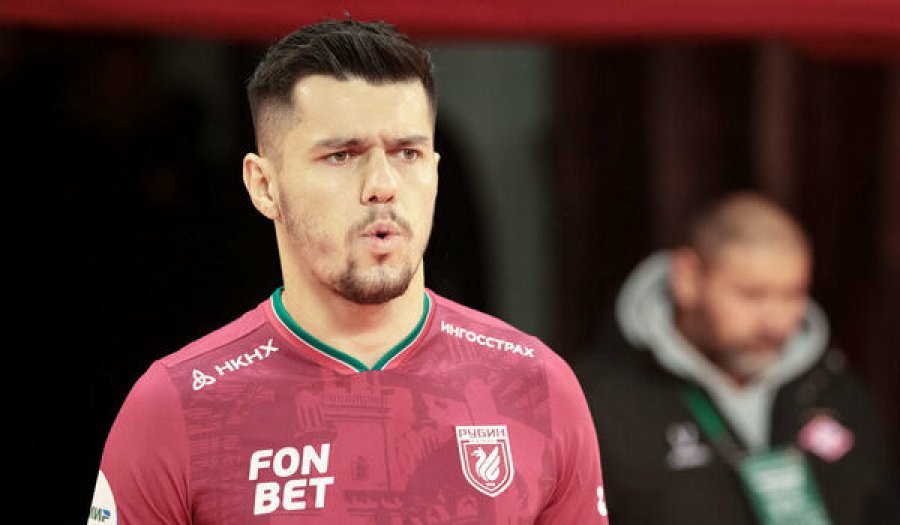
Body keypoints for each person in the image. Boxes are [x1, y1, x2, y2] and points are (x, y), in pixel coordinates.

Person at [87, 19, 609, 524]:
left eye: (407, 153)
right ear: (263, 186)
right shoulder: (174, 406)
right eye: (341, 155)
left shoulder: (538, 387)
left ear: (435, 171)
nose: (382, 185)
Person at [577, 191, 900, 525]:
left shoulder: (838, 393)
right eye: (752, 294)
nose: (775, 321)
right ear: (688, 279)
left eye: (793, 294)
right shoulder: (595, 404)